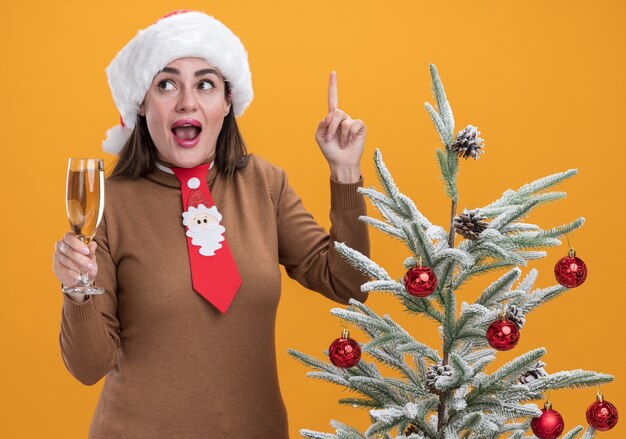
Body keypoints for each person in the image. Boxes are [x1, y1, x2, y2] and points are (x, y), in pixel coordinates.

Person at [52, 10, 370, 438]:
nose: (187, 101)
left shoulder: (265, 183)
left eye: (205, 84)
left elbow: (349, 283)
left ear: (227, 103)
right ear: (141, 104)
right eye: (166, 84)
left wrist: (346, 175)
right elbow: (89, 367)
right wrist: (77, 291)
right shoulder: (108, 205)